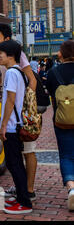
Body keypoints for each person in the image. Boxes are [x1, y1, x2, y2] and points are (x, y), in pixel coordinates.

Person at [0, 23, 37, 201]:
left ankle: (28, 191)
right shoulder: (0, 59)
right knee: (15, 159)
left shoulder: (17, 56)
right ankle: (22, 189)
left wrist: (25, 111)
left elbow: (32, 81)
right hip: (12, 115)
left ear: (7, 40)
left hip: (20, 116)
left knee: (27, 152)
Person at [0, 40, 33, 214]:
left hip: (11, 126)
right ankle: (21, 198)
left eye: (0, 53)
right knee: (16, 163)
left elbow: (10, 100)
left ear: (10, 55)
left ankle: (24, 203)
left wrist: (3, 126)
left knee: (15, 164)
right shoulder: (19, 72)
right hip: (16, 125)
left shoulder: (11, 73)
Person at [46, 40, 74, 211]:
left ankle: (71, 187)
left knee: (66, 155)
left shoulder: (53, 72)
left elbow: (50, 94)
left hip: (62, 120)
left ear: (61, 54)